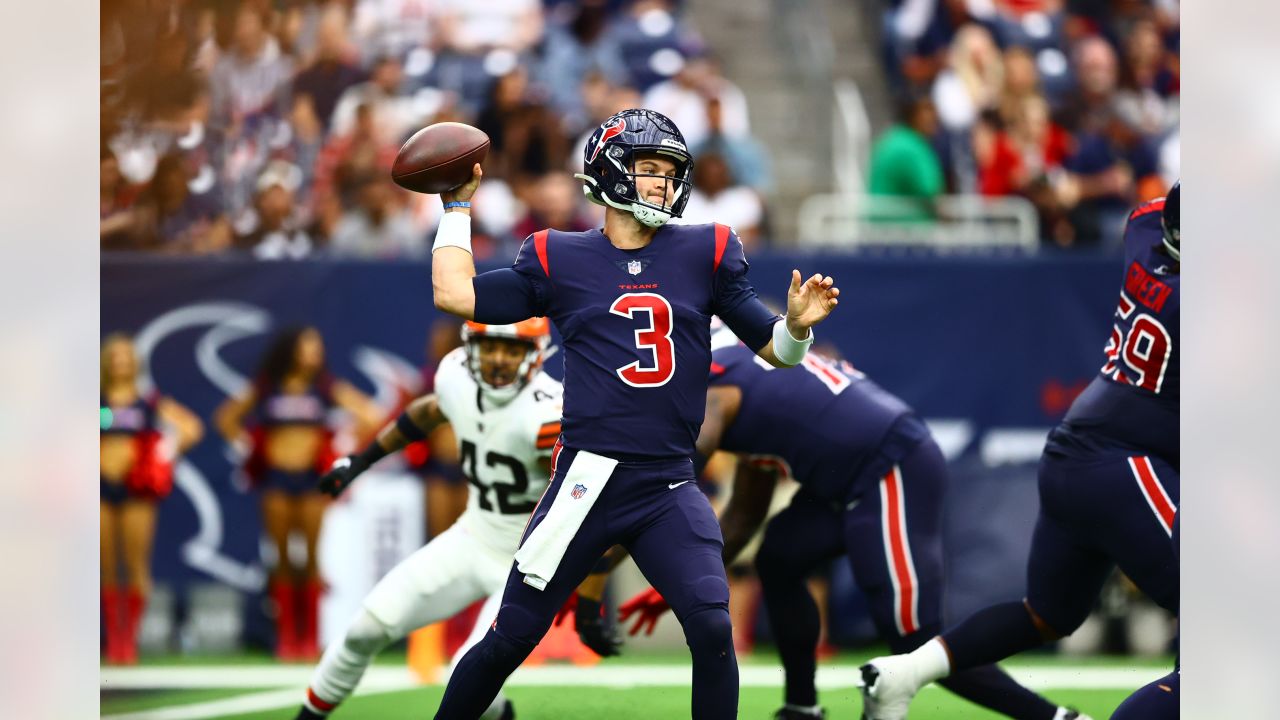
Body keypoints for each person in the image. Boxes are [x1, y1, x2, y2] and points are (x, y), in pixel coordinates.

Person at [425, 107, 840, 719]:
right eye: (650, 168)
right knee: (510, 637)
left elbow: (775, 352)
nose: (664, 183)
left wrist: (797, 329)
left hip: (667, 482)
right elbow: (454, 294)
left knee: (710, 629)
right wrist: (457, 210)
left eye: (672, 171)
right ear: (611, 172)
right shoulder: (557, 255)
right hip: (585, 480)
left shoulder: (706, 249)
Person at [617, 330, 1087, 720]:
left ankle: (1053, 718)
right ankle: (802, 706)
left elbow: (671, 472)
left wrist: (604, 558)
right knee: (780, 556)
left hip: (891, 469)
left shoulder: (715, 392)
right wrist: (685, 582)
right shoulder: (744, 372)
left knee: (915, 645)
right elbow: (744, 513)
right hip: (847, 483)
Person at [859, 182, 1180, 719]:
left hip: (1074, 452)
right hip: (1120, 461)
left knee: (1047, 614)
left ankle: (905, 673)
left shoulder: (1146, 230)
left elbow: (1148, 211)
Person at [295, 319, 606, 720]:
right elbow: (428, 411)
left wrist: (589, 594)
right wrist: (361, 460)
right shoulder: (455, 374)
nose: (497, 359)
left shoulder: (549, 414)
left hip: (528, 564)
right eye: (489, 346)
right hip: (473, 535)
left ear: (536, 354)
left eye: (511, 350)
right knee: (365, 628)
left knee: (471, 668)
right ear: (470, 347)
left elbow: (593, 502)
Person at [215, 327, 381, 661]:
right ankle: (287, 637)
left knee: (310, 557)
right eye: (307, 347)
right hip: (275, 479)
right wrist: (248, 446)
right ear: (290, 350)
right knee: (281, 558)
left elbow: (370, 414)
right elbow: (226, 418)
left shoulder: (325, 387)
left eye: (317, 347)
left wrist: (342, 443)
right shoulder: (267, 386)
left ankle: (309, 637)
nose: (314, 353)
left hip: (310, 480)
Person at [100, 334, 204, 663]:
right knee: (105, 566)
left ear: (135, 363)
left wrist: (162, 456)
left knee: (134, 564)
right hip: (100, 486)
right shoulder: (96, 400)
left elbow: (190, 428)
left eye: (126, 357)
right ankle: (112, 636)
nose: (120, 362)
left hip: (135, 490)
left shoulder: (148, 401)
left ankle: (128, 639)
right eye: (114, 357)